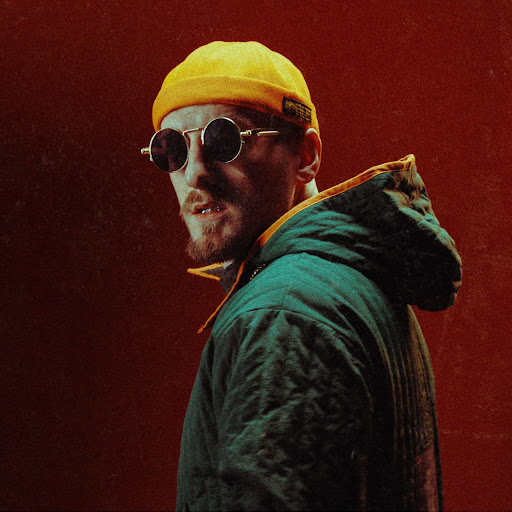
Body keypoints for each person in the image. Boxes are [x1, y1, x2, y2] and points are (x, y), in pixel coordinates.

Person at [142, 41, 462, 511]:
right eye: (172, 149)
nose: (194, 174)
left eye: (224, 140)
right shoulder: (350, 277)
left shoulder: (286, 312)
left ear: (306, 156)